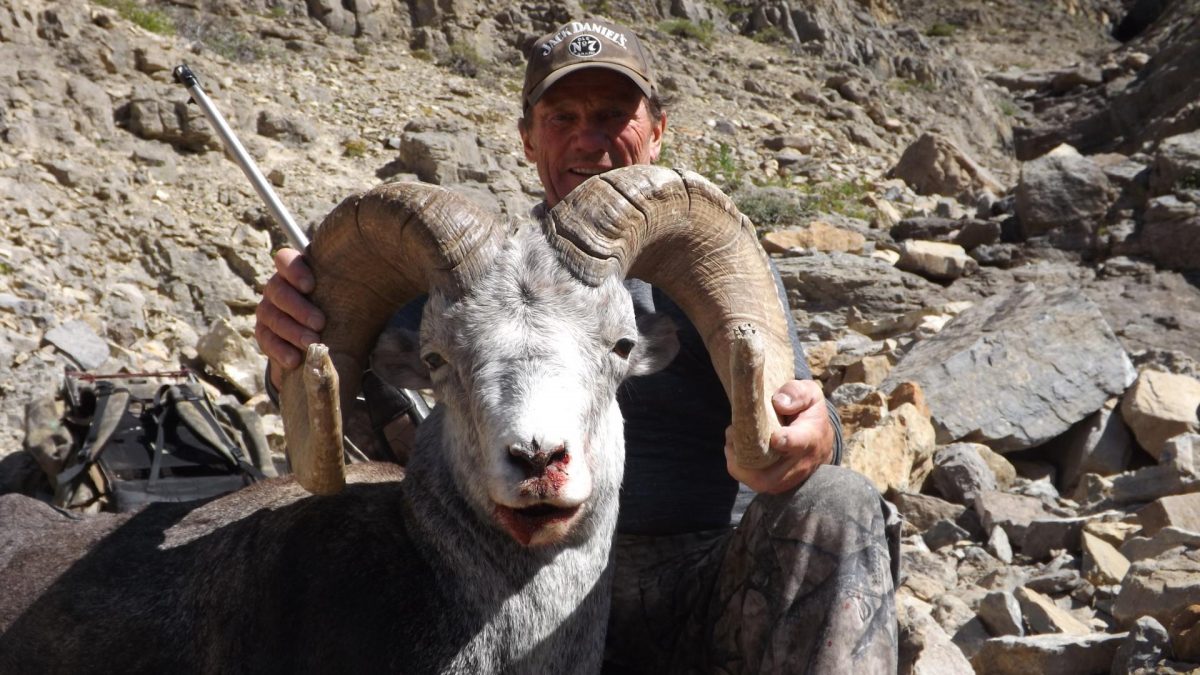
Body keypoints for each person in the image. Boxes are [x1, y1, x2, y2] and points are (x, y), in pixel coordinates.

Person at [256, 19, 898, 672]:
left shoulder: (699, 263)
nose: (589, 139)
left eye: (614, 113)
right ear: (528, 139)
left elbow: (797, 419)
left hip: (699, 582)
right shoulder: (471, 283)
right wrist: (296, 339)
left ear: (658, 130)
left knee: (838, 501)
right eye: (562, 115)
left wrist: (811, 436)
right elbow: (338, 413)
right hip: (506, 587)